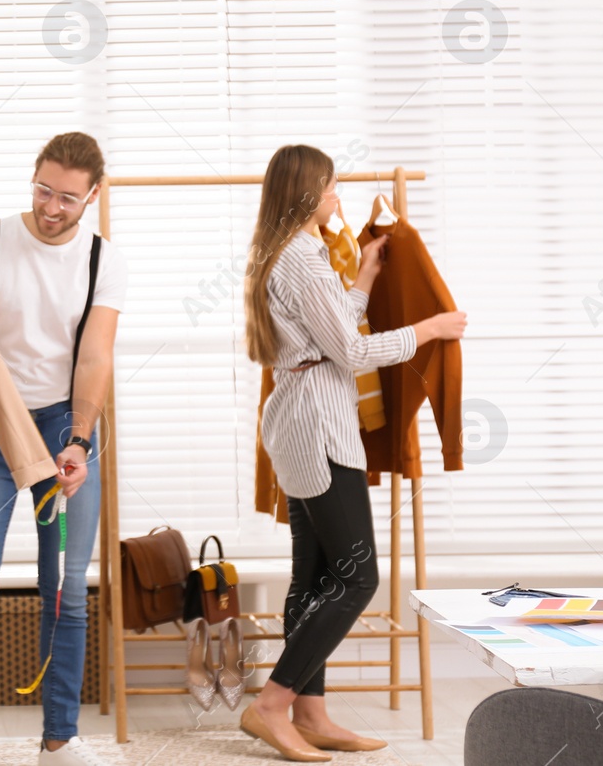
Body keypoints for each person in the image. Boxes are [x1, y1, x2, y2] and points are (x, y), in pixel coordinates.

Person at [238, 144, 466, 762]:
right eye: (332, 186)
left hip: (301, 417)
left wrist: (365, 271)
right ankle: (272, 705)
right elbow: (355, 353)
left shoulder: (291, 254)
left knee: (313, 577)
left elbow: (335, 325)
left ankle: (309, 713)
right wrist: (431, 329)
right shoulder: (303, 262)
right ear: (309, 194)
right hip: (316, 425)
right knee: (359, 575)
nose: (339, 196)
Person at [0, 132, 127, 766]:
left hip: (65, 430)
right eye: (43, 190)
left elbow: (96, 355)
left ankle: (59, 739)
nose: (51, 207)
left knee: (66, 589)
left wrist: (79, 439)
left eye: (68, 198)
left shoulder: (104, 259)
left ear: (92, 196)